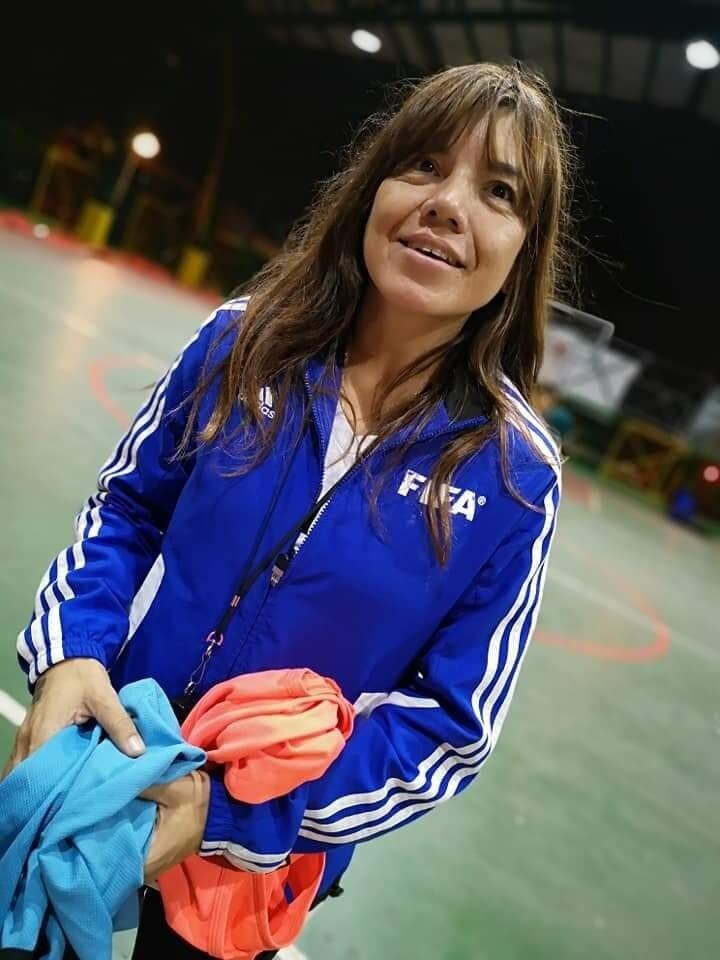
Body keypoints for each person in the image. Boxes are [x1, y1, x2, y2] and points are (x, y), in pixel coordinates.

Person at [5, 62, 571, 957]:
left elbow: (451, 728)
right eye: (422, 165)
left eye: (497, 191)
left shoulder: (514, 478)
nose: (448, 203)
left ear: (524, 248)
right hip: (99, 763)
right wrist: (73, 653)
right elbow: (127, 507)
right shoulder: (245, 339)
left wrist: (228, 808)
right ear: (373, 188)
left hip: (249, 867)